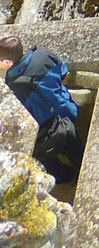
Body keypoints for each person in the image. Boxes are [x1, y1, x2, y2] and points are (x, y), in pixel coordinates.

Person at [0, 36, 83, 183]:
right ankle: (81, 164)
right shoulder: (42, 53)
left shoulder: (16, 85)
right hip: (67, 108)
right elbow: (63, 69)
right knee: (76, 148)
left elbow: (31, 112)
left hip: (49, 126)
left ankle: (68, 176)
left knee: (42, 158)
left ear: (7, 62)